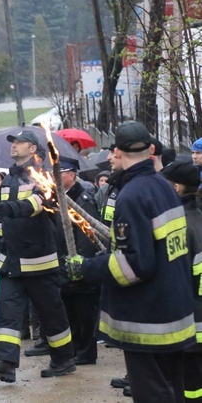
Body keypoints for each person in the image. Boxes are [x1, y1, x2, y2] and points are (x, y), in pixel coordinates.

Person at [68, 121, 195, 402]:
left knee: (152, 395)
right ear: (150, 149)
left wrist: (86, 267)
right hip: (175, 313)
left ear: (117, 152)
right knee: (173, 391)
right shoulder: (164, 187)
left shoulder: (132, 195)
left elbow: (135, 265)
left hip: (148, 322)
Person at [0, 130, 76, 383]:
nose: (14, 146)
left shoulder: (42, 175)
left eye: (19, 142)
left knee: (51, 313)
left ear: (32, 149)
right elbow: (3, 220)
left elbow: (41, 202)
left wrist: (11, 208)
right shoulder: (9, 178)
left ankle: (64, 359)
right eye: (13, 143)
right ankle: (5, 364)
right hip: (12, 261)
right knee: (7, 312)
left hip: (39, 261)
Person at [34, 158, 100, 365]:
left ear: (71, 175)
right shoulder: (60, 197)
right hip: (63, 264)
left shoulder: (83, 198)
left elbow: (87, 235)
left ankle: (87, 353)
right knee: (70, 311)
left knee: (84, 313)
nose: (54, 177)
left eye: (59, 173)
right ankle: (75, 349)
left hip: (79, 265)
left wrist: (79, 264)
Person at [160, 160, 202, 401]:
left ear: (175, 188)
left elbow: (172, 278)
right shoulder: (198, 218)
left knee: (187, 385)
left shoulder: (177, 226)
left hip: (189, 323)